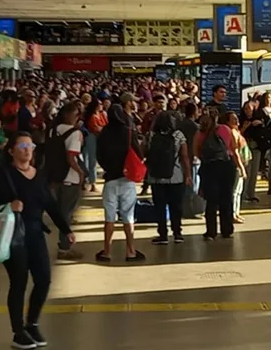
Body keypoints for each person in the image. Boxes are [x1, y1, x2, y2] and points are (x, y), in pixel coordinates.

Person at [0, 132, 75, 350]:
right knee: (19, 282)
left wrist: (65, 229)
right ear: (11, 150)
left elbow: (50, 204)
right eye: (22, 145)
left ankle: (32, 323)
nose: (27, 149)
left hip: (34, 233)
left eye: (30, 145)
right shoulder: (2, 174)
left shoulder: (39, 175)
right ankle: (17, 331)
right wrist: (8, 204)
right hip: (12, 235)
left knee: (44, 279)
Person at [95, 104, 146, 262]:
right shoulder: (128, 132)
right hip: (127, 179)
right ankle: (130, 251)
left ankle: (107, 251)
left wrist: (109, 167)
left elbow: (99, 156)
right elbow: (138, 153)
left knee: (109, 216)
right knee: (128, 216)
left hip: (110, 179)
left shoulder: (104, 133)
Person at [147, 111, 192, 244]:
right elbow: (184, 157)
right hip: (175, 176)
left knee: (160, 206)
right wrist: (188, 174)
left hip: (155, 177)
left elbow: (145, 152)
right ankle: (177, 233)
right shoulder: (178, 135)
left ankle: (162, 235)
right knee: (176, 206)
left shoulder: (151, 136)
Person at [48, 103, 85, 261]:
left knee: (60, 212)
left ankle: (62, 245)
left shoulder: (52, 130)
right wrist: (81, 172)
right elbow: (71, 157)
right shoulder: (75, 133)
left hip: (54, 176)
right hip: (70, 177)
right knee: (66, 214)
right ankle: (64, 248)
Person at [194, 110, 237, 241]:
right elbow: (233, 147)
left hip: (209, 167)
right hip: (226, 165)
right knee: (227, 198)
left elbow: (196, 151)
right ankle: (227, 230)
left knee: (211, 201)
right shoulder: (225, 129)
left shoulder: (200, 133)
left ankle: (211, 232)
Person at [225, 111, 249, 224]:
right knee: (235, 191)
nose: (236, 120)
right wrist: (240, 166)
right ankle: (232, 214)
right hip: (235, 164)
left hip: (241, 163)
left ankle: (236, 212)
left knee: (238, 191)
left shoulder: (237, 131)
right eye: (233, 119)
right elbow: (235, 151)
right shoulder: (232, 133)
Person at [239, 101, 263, 204]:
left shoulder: (258, 118)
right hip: (246, 147)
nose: (247, 111)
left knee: (254, 172)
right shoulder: (241, 120)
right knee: (246, 171)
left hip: (256, 147)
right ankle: (243, 194)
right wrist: (245, 127)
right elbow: (238, 134)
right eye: (245, 109)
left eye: (249, 108)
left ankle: (251, 193)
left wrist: (260, 123)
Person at [83, 97, 106, 193]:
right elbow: (95, 128)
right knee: (91, 160)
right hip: (91, 138)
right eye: (100, 104)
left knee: (92, 160)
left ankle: (90, 181)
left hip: (99, 138)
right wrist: (102, 128)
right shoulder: (92, 116)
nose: (101, 105)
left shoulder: (101, 115)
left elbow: (105, 126)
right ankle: (92, 182)